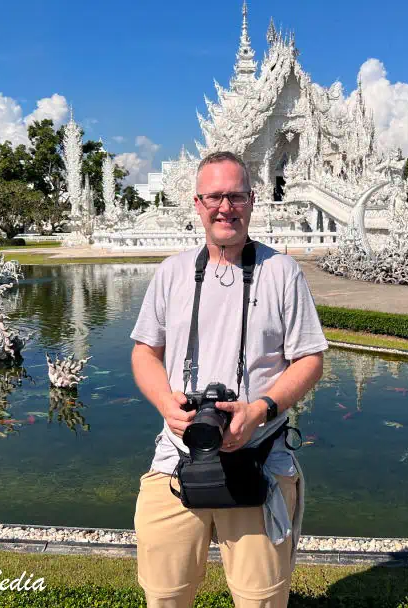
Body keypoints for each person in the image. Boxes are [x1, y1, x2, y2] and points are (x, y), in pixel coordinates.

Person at [130, 150, 327, 608]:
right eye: (215, 196)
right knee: (164, 595)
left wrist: (261, 409)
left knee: (261, 599)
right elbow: (144, 352)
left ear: (253, 201)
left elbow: (310, 359)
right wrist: (166, 404)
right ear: (196, 204)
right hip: (176, 456)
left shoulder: (281, 271)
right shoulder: (172, 272)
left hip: (261, 456)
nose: (226, 207)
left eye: (236, 196)